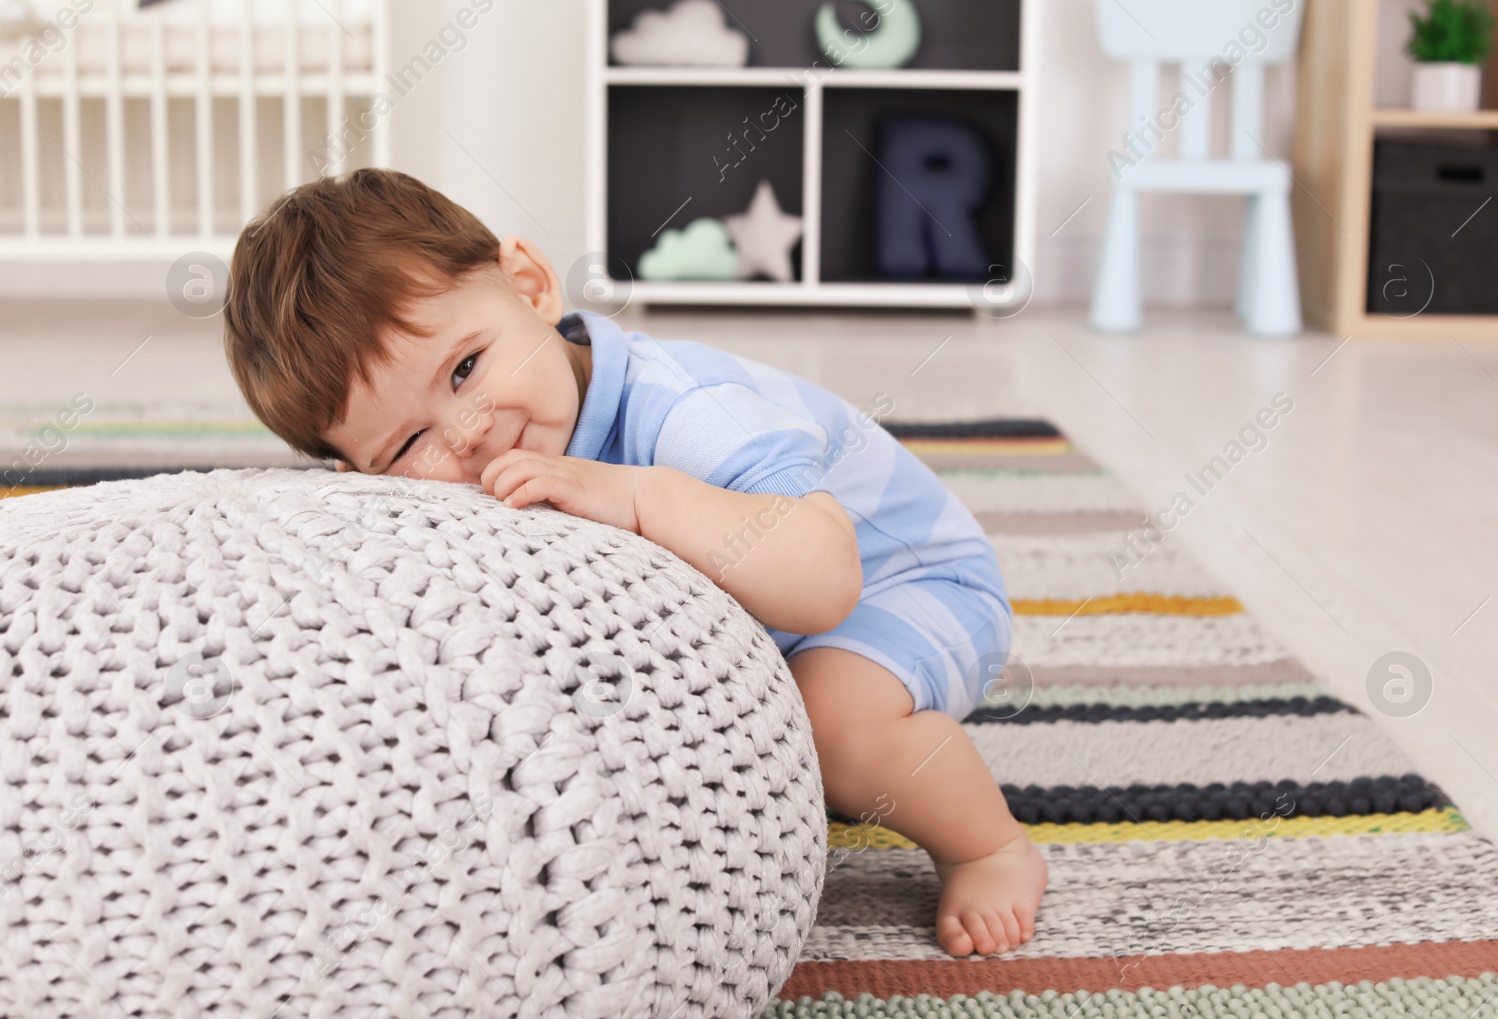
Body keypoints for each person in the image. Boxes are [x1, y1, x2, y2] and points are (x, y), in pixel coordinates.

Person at [222, 168, 1047, 957]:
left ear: (531, 286)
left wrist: (641, 498)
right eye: (407, 443)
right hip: (759, 617)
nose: (466, 431)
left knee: (829, 724)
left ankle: (988, 846)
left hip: (908, 581)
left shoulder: (683, 406)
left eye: (466, 368)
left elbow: (826, 578)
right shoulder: (449, 487)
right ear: (359, 478)